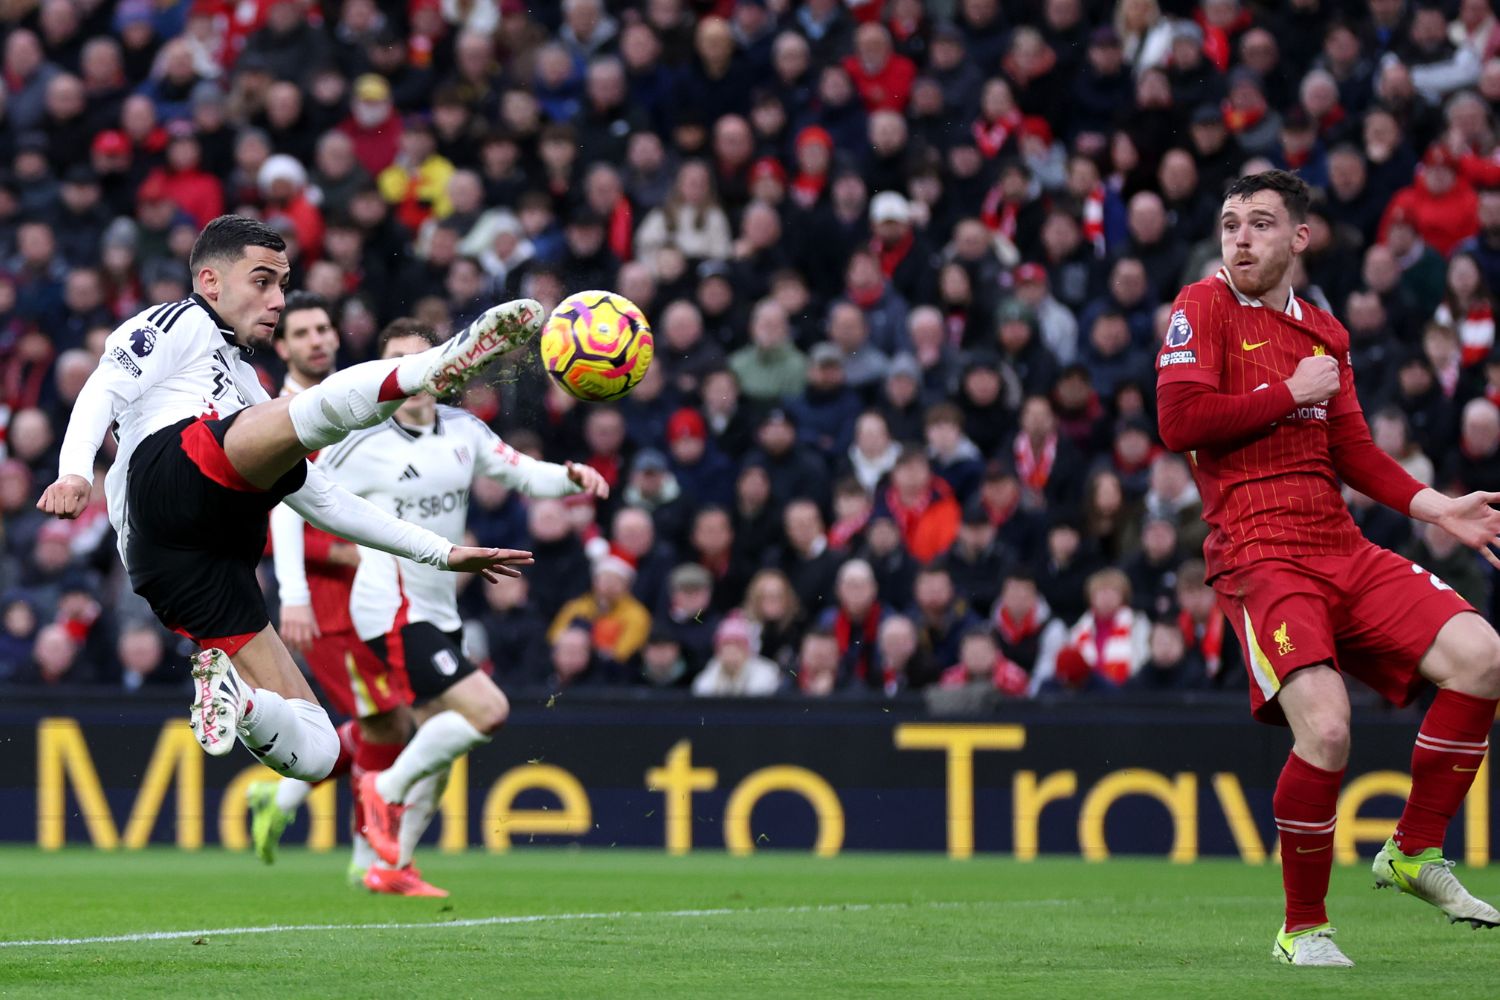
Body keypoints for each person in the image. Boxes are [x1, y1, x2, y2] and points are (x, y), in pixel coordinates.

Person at [39, 215, 542, 787]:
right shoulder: (179, 321)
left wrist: (439, 553)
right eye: (262, 281)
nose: (277, 299)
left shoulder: (246, 384)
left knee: (319, 752)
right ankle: (443, 361)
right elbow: (103, 386)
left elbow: (322, 498)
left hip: (191, 568)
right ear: (210, 282)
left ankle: (238, 702)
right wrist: (74, 472)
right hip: (165, 482)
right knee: (304, 414)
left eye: (281, 283)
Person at [1155, 171, 1500, 968]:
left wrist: (1435, 506)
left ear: (1298, 239)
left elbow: (1353, 451)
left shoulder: (1326, 333)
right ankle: (1302, 928)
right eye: (1231, 223)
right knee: (1330, 726)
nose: (1240, 237)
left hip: (1339, 542)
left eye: (1260, 224)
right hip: (1257, 551)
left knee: (1482, 657)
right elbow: (1178, 422)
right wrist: (1284, 392)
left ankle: (1413, 852)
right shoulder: (1200, 306)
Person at [255, 318, 608, 892]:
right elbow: (291, 500)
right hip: (389, 609)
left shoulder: (464, 429)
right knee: (485, 712)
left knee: (440, 741)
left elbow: (519, 472)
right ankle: (383, 791)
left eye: (422, 361)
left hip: (441, 610)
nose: (411, 376)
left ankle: (391, 867)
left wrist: (570, 478)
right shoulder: (359, 442)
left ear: (443, 368)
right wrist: (292, 592)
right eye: (397, 362)